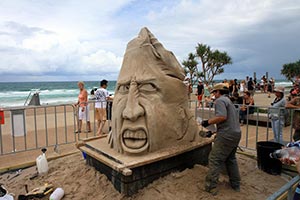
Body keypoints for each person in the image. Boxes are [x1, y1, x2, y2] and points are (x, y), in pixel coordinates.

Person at [201, 84, 241, 195]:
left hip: (227, 135)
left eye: (214, 92)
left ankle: (211, 187)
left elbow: (222, 117)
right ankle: (235, 184)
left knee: (214, 159)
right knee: (230, 159)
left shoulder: (219, 101)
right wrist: (214, 132)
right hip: (235, 133)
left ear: (219, 92)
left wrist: (207, 122)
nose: (213, 94)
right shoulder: (229, 101)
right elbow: (229, 122)